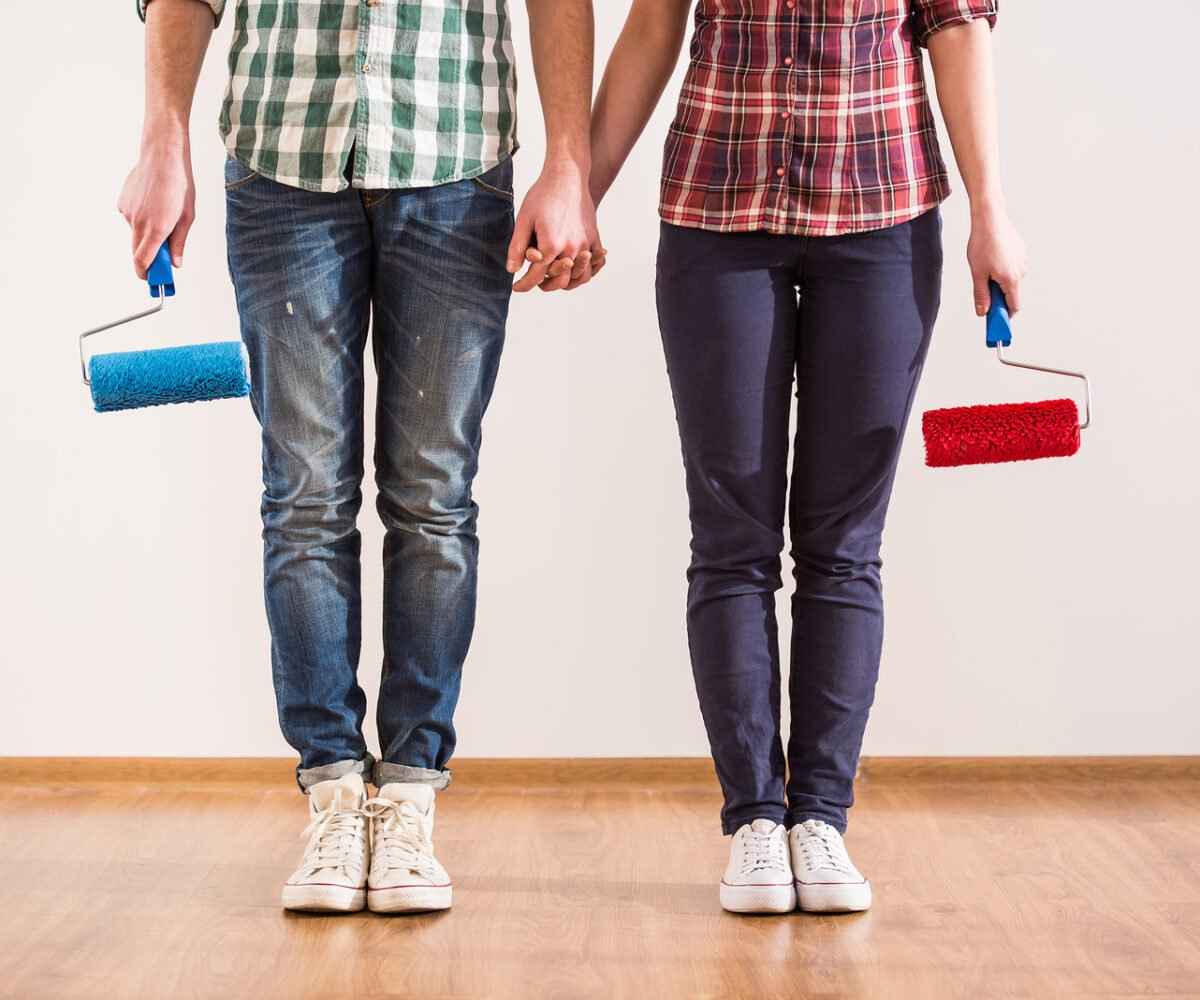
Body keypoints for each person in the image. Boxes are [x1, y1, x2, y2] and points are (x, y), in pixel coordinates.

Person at [119, 0, 601, 914]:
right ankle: (335, 793)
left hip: (454, 160)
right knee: (303, 495)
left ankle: (411, 795)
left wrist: (569, 164)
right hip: (282, 157)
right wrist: (164, 138)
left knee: (433, 499)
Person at [589, 0, 1023, 913]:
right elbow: (654, 24)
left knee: (843, 544)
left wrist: (992, 209)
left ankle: (819, 820)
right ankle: (754, 821)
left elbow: (957, 28)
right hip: (715, 219)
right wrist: (579, 188)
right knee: (732, 538)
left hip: (882, 219)